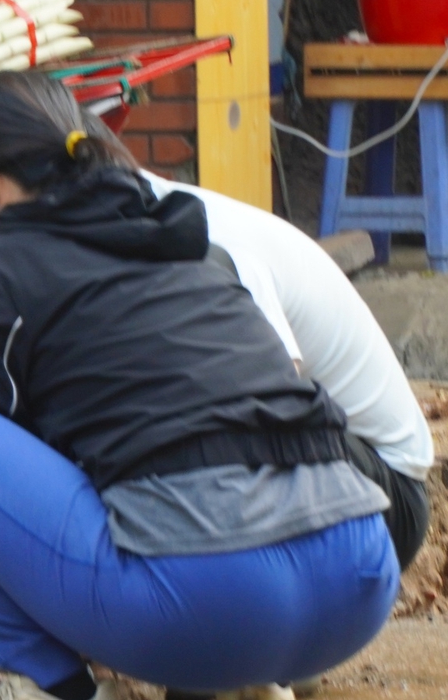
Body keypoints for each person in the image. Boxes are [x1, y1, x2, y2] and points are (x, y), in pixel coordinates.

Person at [0, 72, 399, 700]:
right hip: (355, 581)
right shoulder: (195, 249)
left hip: (205, 608)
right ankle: (260, 698)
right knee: (177, 447)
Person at [139, 167, 432, 571]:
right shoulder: (160, 221)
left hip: (387, 492)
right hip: (333, 451)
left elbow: (279, 396)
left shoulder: (211, 242)